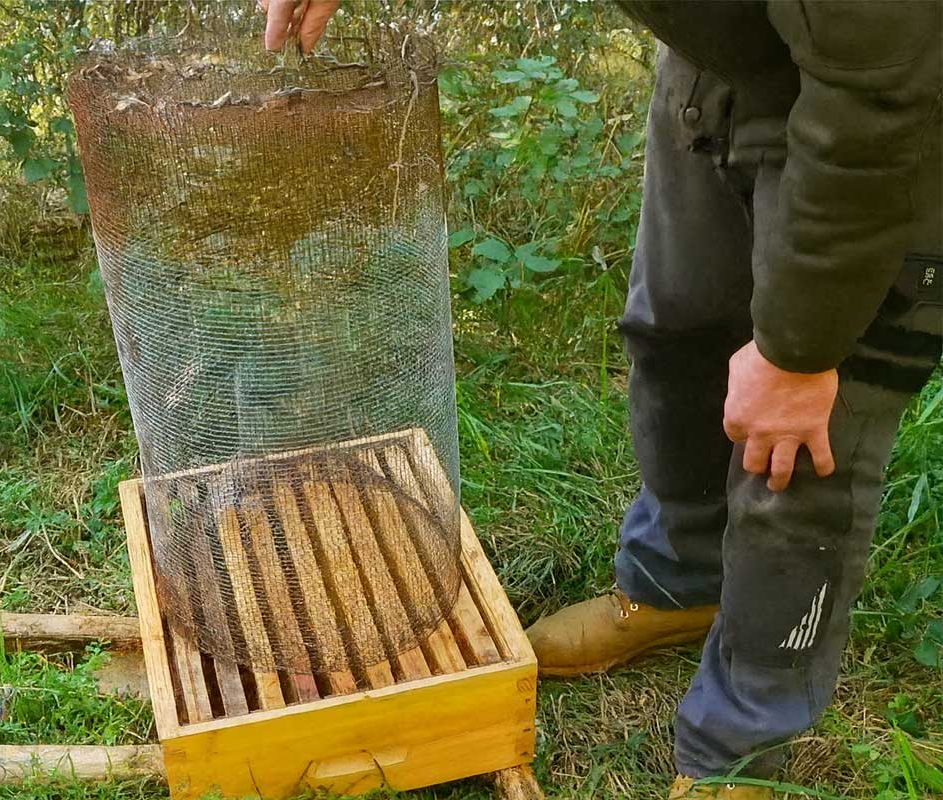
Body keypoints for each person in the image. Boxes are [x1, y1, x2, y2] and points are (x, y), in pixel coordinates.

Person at [264, 1, 943, 798]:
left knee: (794, 448)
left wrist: (800, 354)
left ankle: (742, 744)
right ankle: (678, 585)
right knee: (677, 336)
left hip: (888, 121)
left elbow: (880, 102)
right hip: (731, 58)